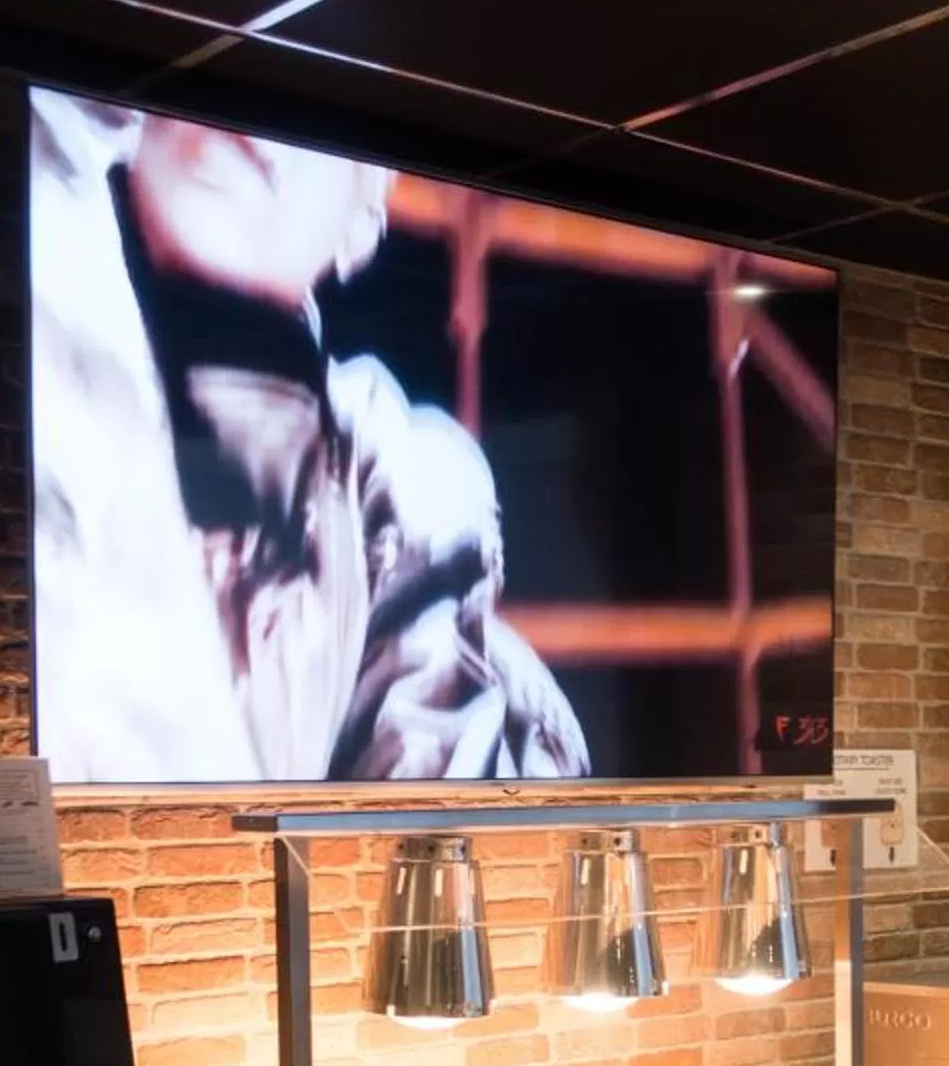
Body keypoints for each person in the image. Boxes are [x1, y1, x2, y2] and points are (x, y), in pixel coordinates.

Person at [29, 92, 589, 784]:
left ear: (361, 226)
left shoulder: (399, 479)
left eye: (319, 124)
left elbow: (427, 824)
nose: (253, 121)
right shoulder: (40, 229)